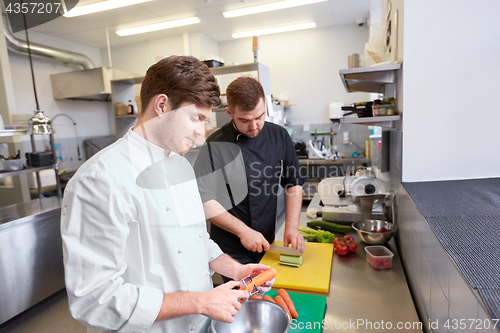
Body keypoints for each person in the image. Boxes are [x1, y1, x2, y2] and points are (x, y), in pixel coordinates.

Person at [60, 56, 273, 333]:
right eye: (196, 118)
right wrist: (201, 302)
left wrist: (237, 270)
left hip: (200, 324)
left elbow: (197, 241)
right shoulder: (100, 180)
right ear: (162, 106)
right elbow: (95, 299)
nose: (201, 132)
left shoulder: (181, 165)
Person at [194, 76, 305, 272]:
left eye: (259, 117)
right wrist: (243, 231)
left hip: (267, 242)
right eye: (244, 120)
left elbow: (293, 183)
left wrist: (292, 226)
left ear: (265, 108)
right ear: (229, 113)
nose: (254, 126)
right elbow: (205, 201)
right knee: (241, 300)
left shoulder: (279, 136)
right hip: (230, 249)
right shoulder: (214, 146)